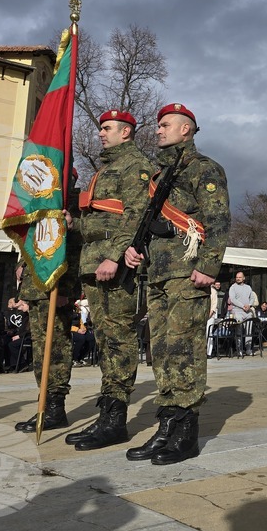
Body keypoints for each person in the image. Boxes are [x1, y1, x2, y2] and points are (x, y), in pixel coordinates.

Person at [123, 101, 229, 466]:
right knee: (163, 352)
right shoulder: (157, 176)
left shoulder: (203, 169)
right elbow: (144, 223)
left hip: (187, 273)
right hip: (156, 274)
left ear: (186, 129)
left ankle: (185, 432)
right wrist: (134, 252)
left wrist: (209, 266)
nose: (157, 129)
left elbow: (217, 220)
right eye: (158, 125)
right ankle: (166, 426)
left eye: (165, 124)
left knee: (184, 350)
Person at [66, 109, 154, 452]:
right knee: (105, 341)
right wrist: (73, 222)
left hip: (114, 266)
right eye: (100, 128)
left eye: (107, 128)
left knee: (119, 339)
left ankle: (115, 420)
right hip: (94, 263)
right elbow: (99, 220)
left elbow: (137, 216)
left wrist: (115, 256)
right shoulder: (104, 170)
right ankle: (107, 413)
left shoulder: (135, 165)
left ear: (126, 132)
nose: (101, 133)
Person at [14, 229, 81, 434]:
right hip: (37, 284)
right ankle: (44, 403)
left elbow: (74, 246)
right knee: (41, 349)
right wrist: (22, 265)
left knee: (56, 348)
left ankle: (54, 408)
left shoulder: (65, 205)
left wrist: (66, 289)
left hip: (56, 285)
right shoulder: (42, 207)